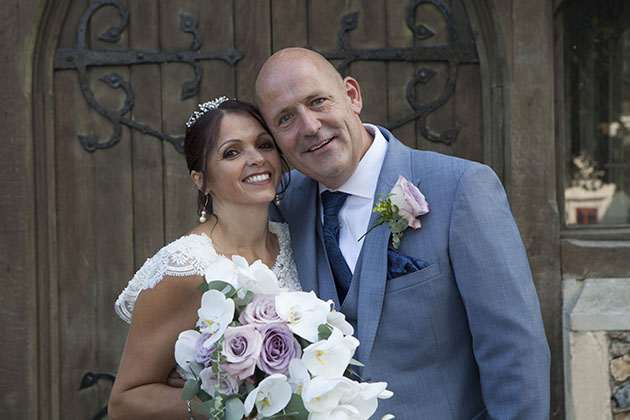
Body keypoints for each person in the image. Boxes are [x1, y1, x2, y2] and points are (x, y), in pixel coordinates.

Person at [255, 47, 551, 420]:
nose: (310, 126)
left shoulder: (461, 188)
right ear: (275, 139)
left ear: (352, 95)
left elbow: (516, 353)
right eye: (285, 119)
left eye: (318, 101)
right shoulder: (281, 207)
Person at [108, 98, 299, 420]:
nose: (256, 159)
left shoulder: (299, 241)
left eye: (264, 144)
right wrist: (234, 407)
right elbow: (125, 402)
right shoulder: (185, 268)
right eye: (232, 152)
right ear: (201, 180)